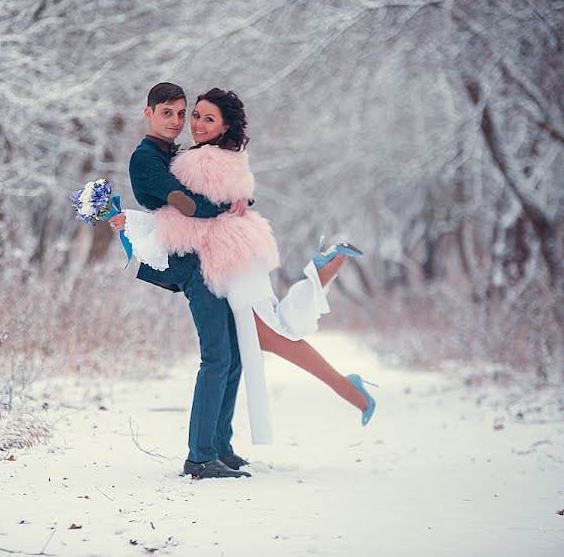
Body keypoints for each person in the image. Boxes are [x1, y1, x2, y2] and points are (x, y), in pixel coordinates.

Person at [109, 88, 377, 439]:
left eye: (195, 115)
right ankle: (325, 280)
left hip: (220, 258)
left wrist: (225, 203)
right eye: (186, 115)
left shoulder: (195, 159)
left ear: (224, 126)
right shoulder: (208, 155)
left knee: (257, 339)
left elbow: (189, 204)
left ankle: (208, 451)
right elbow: (179, 204)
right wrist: (130, 219)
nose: (187, 122)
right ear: (149, 113)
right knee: (260, 337)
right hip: (236, 252)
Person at [118, 82, 251, 479]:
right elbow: (186, 203)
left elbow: (208, 187)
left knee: (235, 355)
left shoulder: (174, 153)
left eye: (183, 113)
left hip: (212, 257)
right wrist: (228, 207)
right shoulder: (145, 158)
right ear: (149, 113)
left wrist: (241, 200)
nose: (179, 122)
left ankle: (221, 446)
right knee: (216, 357)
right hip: (191, 264)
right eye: (169, 114)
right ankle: (200, 456)